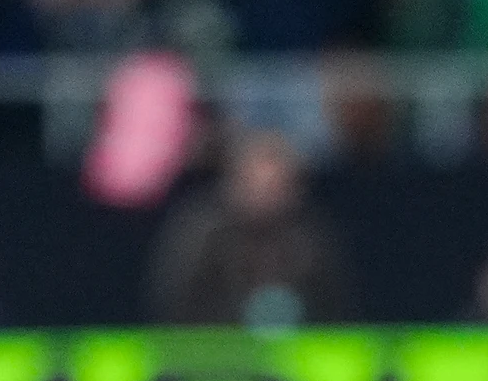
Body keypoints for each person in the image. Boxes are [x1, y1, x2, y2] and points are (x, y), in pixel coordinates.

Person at [145, 130, 352, 328]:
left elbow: (333, 307)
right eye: (258, 184)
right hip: (214, 352)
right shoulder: (200, 235)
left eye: (275, 186)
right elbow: (175, 303)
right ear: (236, 180)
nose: (266, 195)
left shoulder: (312, 237)